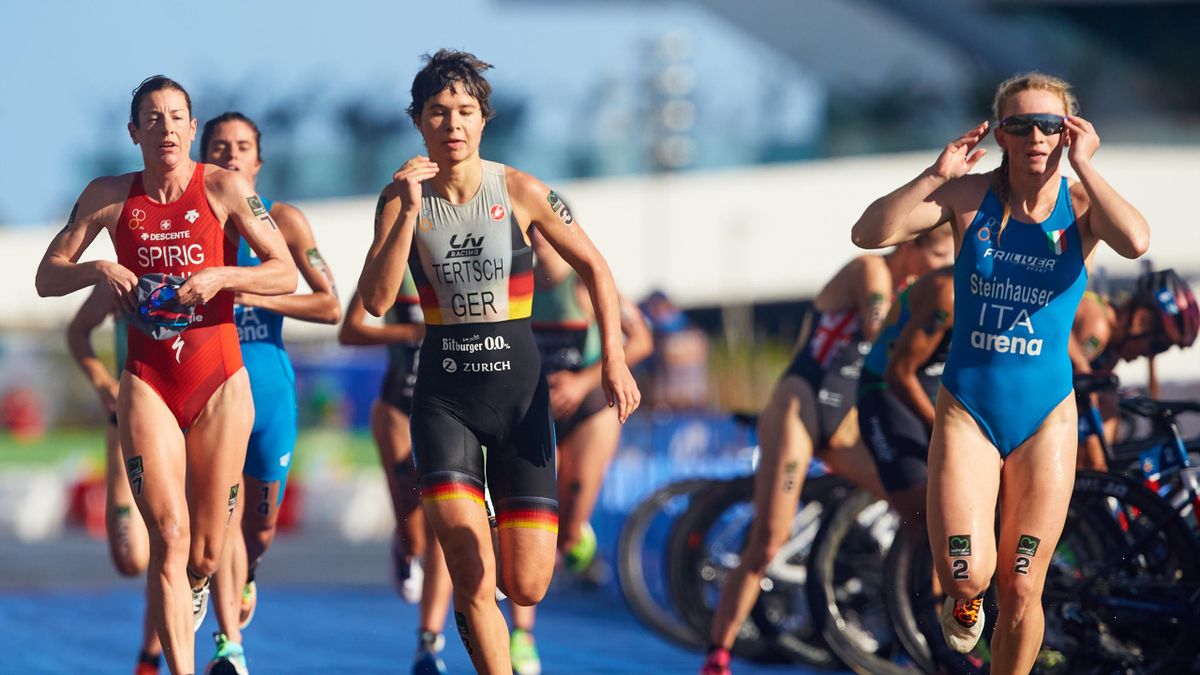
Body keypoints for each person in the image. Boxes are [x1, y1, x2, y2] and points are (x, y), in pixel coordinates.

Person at [851, 71, 1149, 673]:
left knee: (1020, 588)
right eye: (1021, 125)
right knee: (970, 577)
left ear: (1066, 134)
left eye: (1050, 125)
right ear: (1002, 135)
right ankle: (961, 601)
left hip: (1046, 418)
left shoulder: (1082, 204)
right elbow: (869, 232)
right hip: (967, 411)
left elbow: (1137, 241)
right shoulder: (970, 198)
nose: (1036, 135)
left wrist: (1087, 166)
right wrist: (937, 176)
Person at [357, 49, 640, 674]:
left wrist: (614, 362)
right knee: (467, 560)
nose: (452, 124)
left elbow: (596, 267)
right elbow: (377, 301)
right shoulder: (399, 196)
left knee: (530, 584)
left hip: (519, 398)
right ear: (420, 123)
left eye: (463, 111)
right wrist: (405, 208)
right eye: (438, 113)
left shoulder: (521, 190)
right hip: (443, 399)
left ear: (483, 119)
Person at [35, 76, 297, 675]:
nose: (166, 129)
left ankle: (201, 583)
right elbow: (48, 276)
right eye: (152, 119)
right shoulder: (107, 195)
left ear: (191, 126)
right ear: (134, 133)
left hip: (221, 379)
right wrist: (99, 266)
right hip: (149, 380)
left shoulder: (225, 188)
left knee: (205, 549)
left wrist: (221, 278)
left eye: (177, 117)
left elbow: (283, 274)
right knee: (169, 536)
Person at [701, 226, 953, 675]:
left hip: (845, 424)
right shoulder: (872, 270)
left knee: (924, 512)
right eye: (937, 256)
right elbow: (879, 328)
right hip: (800, 408)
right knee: (768, 539)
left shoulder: (919, 291)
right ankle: (718, 653)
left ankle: (922, 632)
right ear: (911, 246)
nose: (941, 268)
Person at [199, 112, 341, 675]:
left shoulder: (285, 222)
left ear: (258, 161)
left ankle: (248, 573)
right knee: (224, 519)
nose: (231, 155)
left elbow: (329, 306)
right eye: (219, 147)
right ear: (204, 158)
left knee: (257, 528)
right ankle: (229, 646)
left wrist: (255, 297)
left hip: (271, 393)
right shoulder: (193, 224)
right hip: (214, 391)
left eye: (242, 147)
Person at [506, 225, 654, 674]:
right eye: (533, 237)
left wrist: (585, 380)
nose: (542, 245)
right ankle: (523, 635)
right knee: (531, 526)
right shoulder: (517, 284)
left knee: (565, 533)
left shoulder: (585, 284)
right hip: (538, 410)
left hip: (590, 407)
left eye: (548, 234)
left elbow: (642, 340)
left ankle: (578, 537)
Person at [339, 275, 456, 675]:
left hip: (448, 406)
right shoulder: (388, 265)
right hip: (397, 405)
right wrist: (411, 331)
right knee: (416, 532)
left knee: (443, 522)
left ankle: (428, 642)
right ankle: (404, 545)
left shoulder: (458, 256)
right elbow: (349, 332)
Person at [66, 285, 163, 675]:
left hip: (184, 417)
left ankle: (150, 657)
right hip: (128, 415)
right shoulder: (121, 279)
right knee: (130, 559)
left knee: (171, 544)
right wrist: (103, 382)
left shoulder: (199, 259)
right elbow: (77, 332)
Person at [857, 266, 954, 541]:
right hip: (886, 392)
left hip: (931, 387)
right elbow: (898, 374)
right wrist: (944, 428)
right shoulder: (948, 294)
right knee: (925, 519)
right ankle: (913, 583)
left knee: (952, 511)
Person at [1070, 269, 1198, 469]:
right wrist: (1098, 461)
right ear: (1141, 321)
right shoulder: (1099, 328)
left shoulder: (1112, 350)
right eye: (1157, 346)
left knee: (1108, 398)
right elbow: (1079, 386)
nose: (1150, 355)